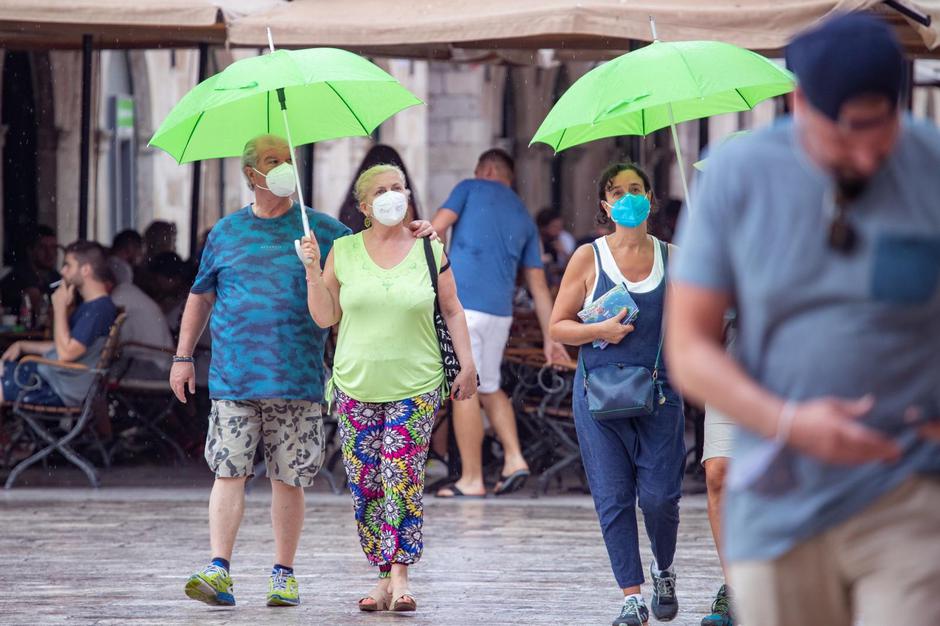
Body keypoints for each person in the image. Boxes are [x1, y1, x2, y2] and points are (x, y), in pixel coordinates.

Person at [667, 13, 940, 626]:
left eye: (883, 128)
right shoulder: (738, 178)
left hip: (907, 495)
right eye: (848, 132)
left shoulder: (933, 170)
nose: (868, 154)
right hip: (779, 502)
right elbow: (689, 348)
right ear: (800, 102)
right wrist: (789, 421)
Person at [171, 134, 436, 609]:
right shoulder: (225, 233)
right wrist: (183, 355)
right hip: (235, 378)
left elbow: (373, 247)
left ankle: (284, 573)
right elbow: (200, 295)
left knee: (289, 479)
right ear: (251, 174)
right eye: (273, 162)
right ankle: (219, 568)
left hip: (298, 380)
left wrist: (419, 232)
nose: (283, 168)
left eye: (287, 159)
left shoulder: (324, 230)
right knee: (228, 471)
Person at [302, 163, 477, 613]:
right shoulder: (342, 250)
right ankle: (382, 575)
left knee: (401, 475)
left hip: (416, 382)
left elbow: (452, 309)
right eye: (381, 190)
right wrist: (311, 270)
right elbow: (325, 317)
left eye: (398, 187)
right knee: (365, 483)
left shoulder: (427, 248)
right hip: (356, 383)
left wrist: (468, 364)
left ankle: (401, 576)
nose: (391, 195)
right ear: (364, 206)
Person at [549, 161, 683, 626]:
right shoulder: (589, 257)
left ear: (651, 198)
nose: (628, 197)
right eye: (617, 191)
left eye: (636, 189)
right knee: (612, 497)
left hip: (660, 395)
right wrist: (600, 329)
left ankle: (663, 567)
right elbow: (558, 325)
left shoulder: (675, 256)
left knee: (662, 498)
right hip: (598, 395)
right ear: (605, 204)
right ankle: (631, 596)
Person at [432, 148, 569, 498]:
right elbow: (538, 285)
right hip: (499, 316)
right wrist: (551, 336)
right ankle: (514, 458)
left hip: (465, 309)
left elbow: (435, 228)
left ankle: (472, 479)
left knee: (464, 389)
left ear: (487, 169)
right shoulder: (523, 215)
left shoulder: (469, 187)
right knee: (489, 386)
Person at [1, 241, 117, 407]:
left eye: (68, 265)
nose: (62, 271)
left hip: (57, 387)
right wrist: (22, 344)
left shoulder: (99, 309)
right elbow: (63, 344)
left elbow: (65, 353)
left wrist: (60, 308)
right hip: (52, 378)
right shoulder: (92, 306)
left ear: (85, 269)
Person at [107, 247, 173, 381]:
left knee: (96, 377)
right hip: (161, 364)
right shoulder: (130, 293)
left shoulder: (119, 297)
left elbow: (110, 338)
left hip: (151, 366)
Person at [338, 144, 422, 231]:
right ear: (364, 208)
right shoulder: (347, 241)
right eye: (380, 191)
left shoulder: (403, 205)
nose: (390, 195)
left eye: (396, 188)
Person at [0, 224, 60, 319]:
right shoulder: (18, 276)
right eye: (42, 247)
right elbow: (38, 305)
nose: (50, 253)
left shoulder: (55, 276)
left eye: (53, 247)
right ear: (30, 250)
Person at [536, 207, 576, 286]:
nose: (559, 230)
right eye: (554, 226)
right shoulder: (535, 240)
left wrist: (563, 252)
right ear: (543, 227)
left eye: (560, 226)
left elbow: (574, 265)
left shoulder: (564, 238)